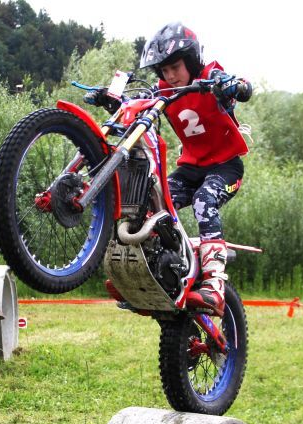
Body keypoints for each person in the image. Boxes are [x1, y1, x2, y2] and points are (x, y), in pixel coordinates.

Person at [87, 22, 252, 316]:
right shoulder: (163, 90)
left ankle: (214, 285)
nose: (170, 75)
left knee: (204, 200)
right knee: (151, 204)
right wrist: (111, 100)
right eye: (164, 70)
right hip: (191, 169)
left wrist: (233, 86)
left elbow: (243, 87)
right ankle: (150, 277)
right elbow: (136, 105)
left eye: (175, 67)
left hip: (225, 167)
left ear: (191, 61)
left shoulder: (210, 77)